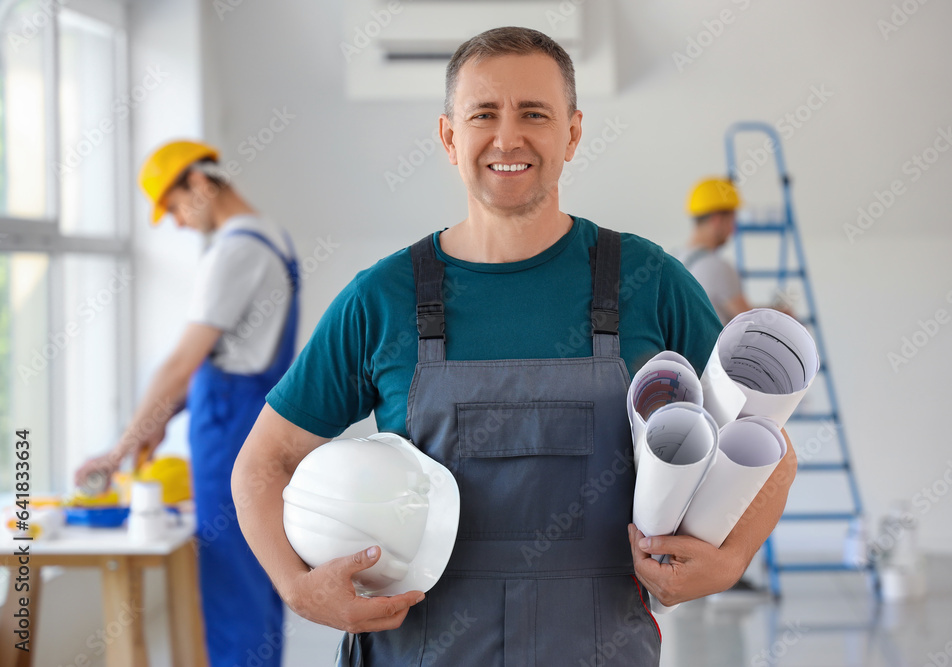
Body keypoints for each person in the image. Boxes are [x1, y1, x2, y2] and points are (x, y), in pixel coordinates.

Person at [232, 27, 797, 665]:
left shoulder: (649, 281)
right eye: (483, 115)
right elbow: (264, 461)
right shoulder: (381, 298)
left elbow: (770, 450)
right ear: (449, 136)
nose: (508, 138)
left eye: (534, 114)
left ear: (573, 133)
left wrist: (730, 561)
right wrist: (296, 587)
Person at [75, 140, 297, 667]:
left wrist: (118, 449)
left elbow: (182, 363)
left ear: (199, 183)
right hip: (254, 430)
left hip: (230, 441)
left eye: (173, 206)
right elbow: (228, 354)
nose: (174, 222)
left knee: (230, 588)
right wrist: (163, 419)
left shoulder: (236, 250)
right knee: (257, 579)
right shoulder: (273, 238)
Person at [674, 178, 791, 324]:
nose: (733, 230)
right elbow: (748, 320)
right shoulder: (717, 266)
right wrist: (781, 314)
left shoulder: (673, 259)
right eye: (731, 221)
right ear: (717, 219)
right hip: (714, 347)